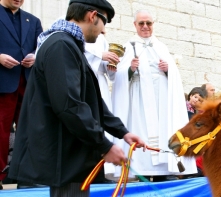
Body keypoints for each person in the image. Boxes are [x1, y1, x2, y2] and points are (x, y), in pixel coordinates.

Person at [8, 1, 146, 196]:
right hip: (64, 159)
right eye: (104, 22)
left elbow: (90, 100)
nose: (103, 30)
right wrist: (104, 145)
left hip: (70, 158)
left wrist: (122, 131)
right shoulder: (61, 46)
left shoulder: (68, 45)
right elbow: (70, 105)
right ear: (92, 16)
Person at [112, 9, 197, 181]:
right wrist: (130, 69)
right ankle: (141, 170)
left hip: (161, 103)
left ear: (153, 25)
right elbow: (117, 76)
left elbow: (175, 78)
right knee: (140, 133)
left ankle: (165, 170)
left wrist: (169, 70)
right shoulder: (129, 47)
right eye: (141, 23)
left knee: (164, 133)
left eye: (148, 23)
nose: (145, 27)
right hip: (138, 102)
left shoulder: (161, 47)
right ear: (135, 25)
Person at [0, 0, 43, 189]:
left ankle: (26, 177)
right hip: (2, 84)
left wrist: (35, 55)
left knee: (30, 130)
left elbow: (41, 46)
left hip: (27, 84)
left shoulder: (33, 21)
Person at [84, 29, 119, 177]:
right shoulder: (77, 34)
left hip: (100, 83)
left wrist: (110, 65)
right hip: (85, 79)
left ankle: (104, 169)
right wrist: (100, 56)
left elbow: (108, 72)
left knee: (101, 121)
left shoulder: (102, 40)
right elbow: (81, 53)